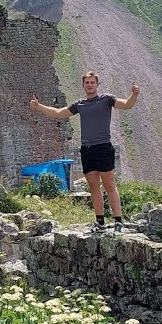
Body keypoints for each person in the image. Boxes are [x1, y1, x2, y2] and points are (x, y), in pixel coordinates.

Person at [29, 72, 139, 233]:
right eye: (87, 82)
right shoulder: (79, 104)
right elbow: (59, 113)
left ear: (97, 84)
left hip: (103, 147)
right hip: (87, 150)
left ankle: (118, 222)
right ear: (83, 85)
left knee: (109, 185)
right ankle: (100, 222)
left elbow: (126, 105)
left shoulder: (106, 99)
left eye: (92, 82)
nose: (89, 85)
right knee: (94, 186)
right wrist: (39, 107)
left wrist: (134, 95)